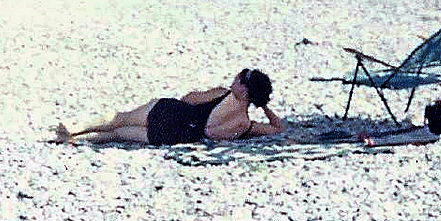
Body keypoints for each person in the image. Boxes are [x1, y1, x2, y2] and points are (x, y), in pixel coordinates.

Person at [55, 69, 286, 146]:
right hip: (173, 135)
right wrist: (263, 105)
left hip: (170, 113)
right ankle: (78, 140)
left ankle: (76, 127)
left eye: (237, 79)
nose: (233, 81)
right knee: (117, 135)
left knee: (120, 118)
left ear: (243, 89)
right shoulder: (245, 125)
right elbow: (278, 128)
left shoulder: (222, 94)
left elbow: (188, 98)